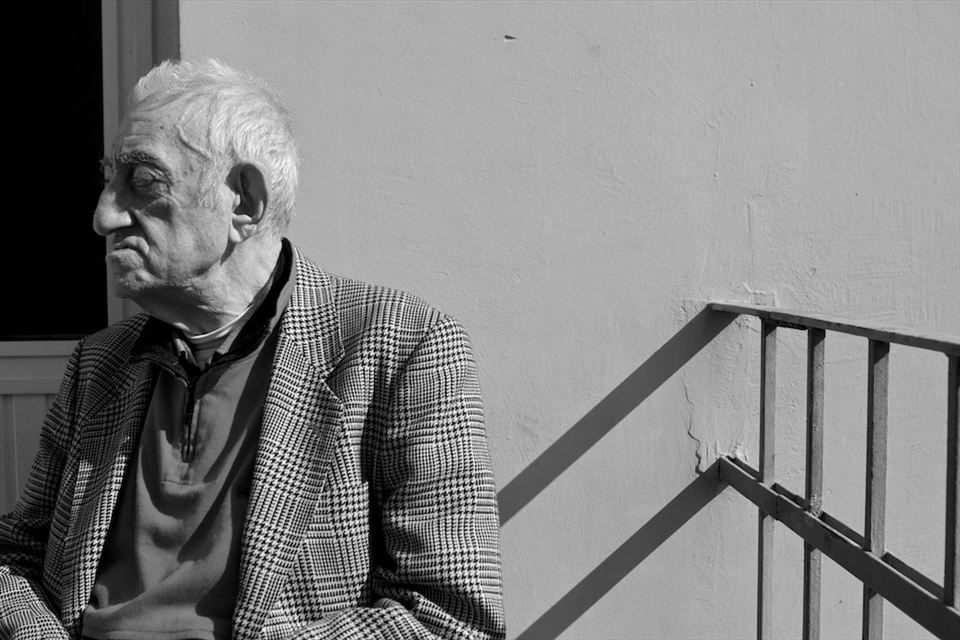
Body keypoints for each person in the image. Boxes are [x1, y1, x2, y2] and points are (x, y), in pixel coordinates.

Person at [0, 59, 505, 640]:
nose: (103, 215)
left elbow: (449, 619)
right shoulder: (100, 363)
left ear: (244, 201)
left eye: (141, 179)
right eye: (108, 178)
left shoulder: (400, 348)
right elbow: (16, 556)